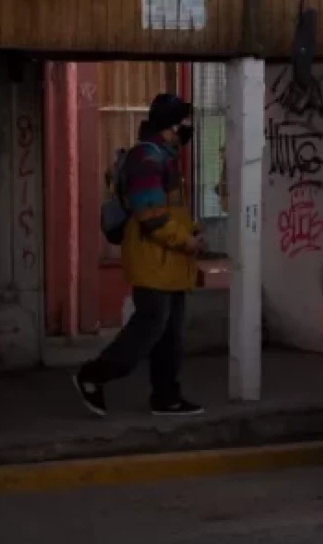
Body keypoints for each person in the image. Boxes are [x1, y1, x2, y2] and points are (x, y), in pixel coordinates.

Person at [74, 93, 205, 417]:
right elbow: (151, 216)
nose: (188, 129)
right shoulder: (147, 159)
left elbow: (169, 211)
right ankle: (93, 375)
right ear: (170, 126)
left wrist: (192, 231)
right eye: (183, 123)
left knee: (169, 337)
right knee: (148, 330)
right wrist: (186, 241)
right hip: (154, 261)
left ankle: (166, 397)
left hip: (169, 262)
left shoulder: (163, 157)